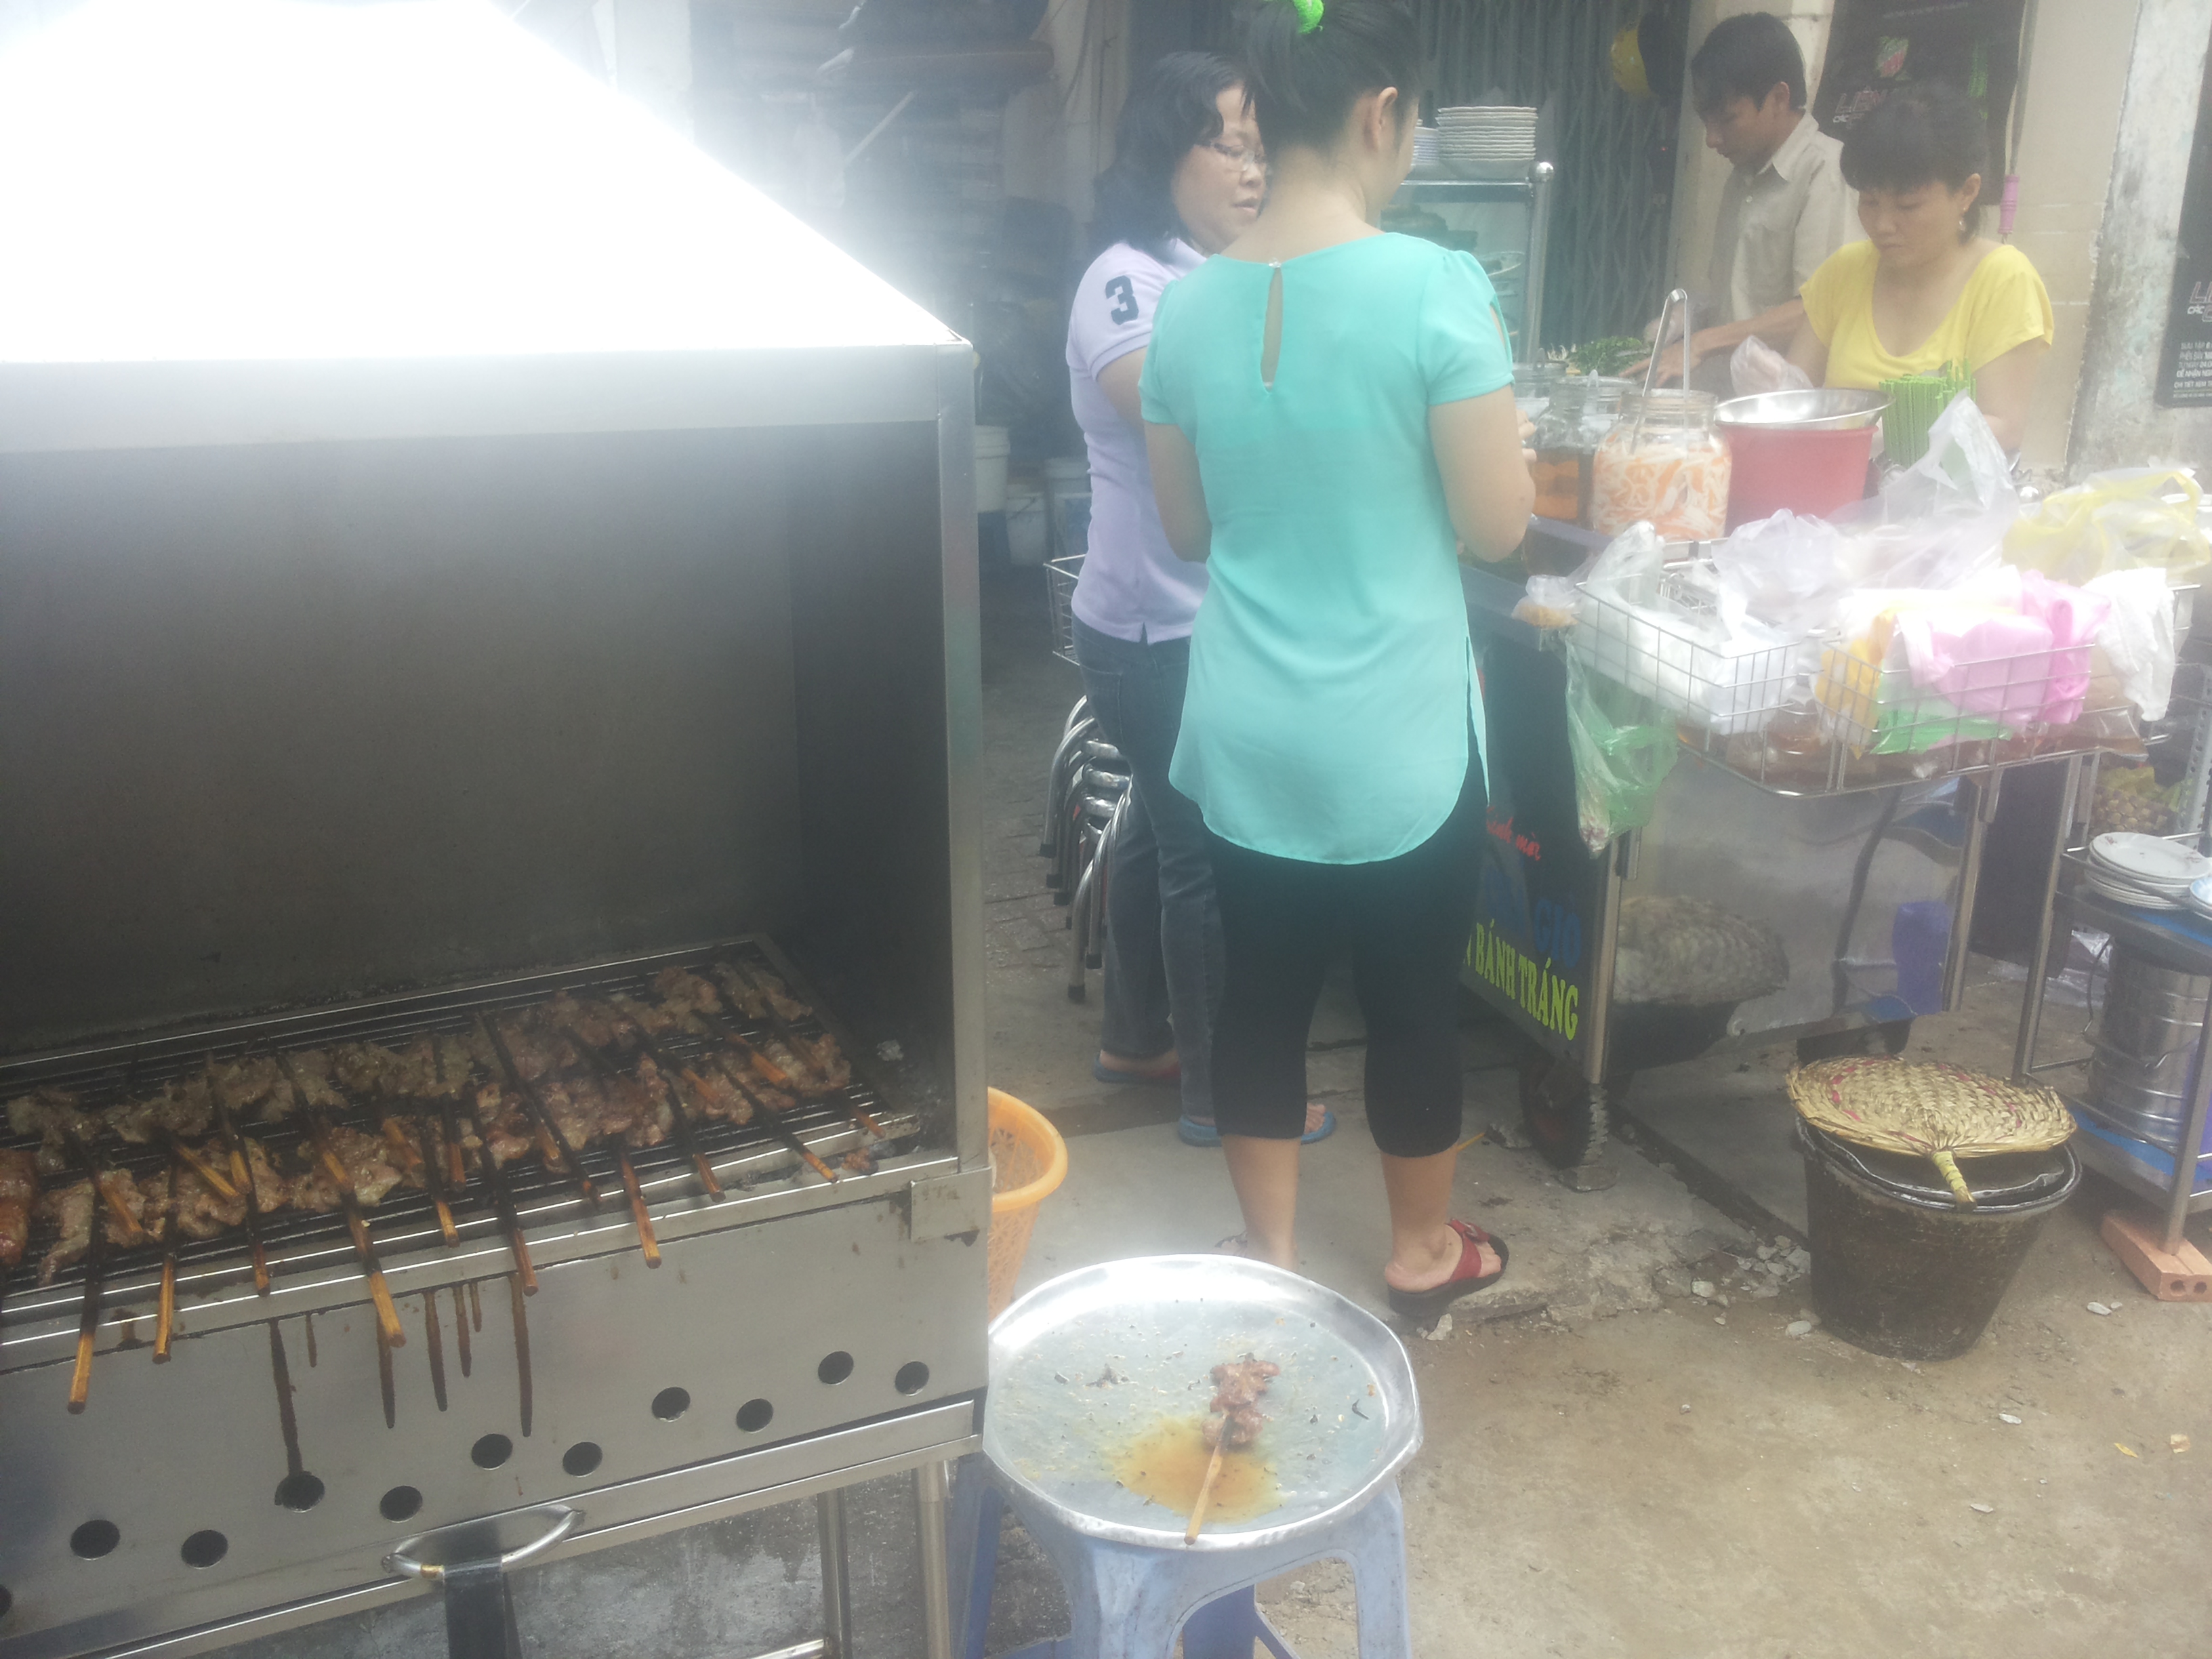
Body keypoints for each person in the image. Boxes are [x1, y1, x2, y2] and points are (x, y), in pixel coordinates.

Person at [1139, 0, 1532, 1317]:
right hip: (1398, 737)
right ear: (1381, 115)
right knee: (1412, 1001)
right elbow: (1498, 524)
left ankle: (1271, 1252)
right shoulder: (1434, 287)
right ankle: (1419, 1252)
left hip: (1248, 728)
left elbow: (1188, 531)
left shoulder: (1185, 308)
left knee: (1260, 997)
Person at [1066, 54, 1335, 1147]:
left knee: (1155, 830)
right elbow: (1168, 407)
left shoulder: (1209, 274)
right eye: (1230, 145)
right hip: (1152, 630)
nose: (1251, 170)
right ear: (1166, 151)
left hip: (1188, 622)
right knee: (1204, 858)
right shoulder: (1126, 278)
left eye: (1260, 151)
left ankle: (1137, 1038)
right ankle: (1225, 1096)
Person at [1788, 81, 2053, 453]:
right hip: (1839, 482)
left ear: (1966, 192)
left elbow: (2003, 426)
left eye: (1907, 206)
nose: (1883, 225)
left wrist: (1887, 436)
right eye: (1870, 202)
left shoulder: (2003, 279)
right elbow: (1796, 397)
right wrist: (1777, 385)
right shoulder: (1844, 272)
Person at [1641, 12, 1858, 388]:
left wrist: (1703, 342)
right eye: (1706, 122)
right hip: (1727, 393)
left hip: (1786, 404)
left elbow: (1820, 311)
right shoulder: (1742, 177)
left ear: (1779, 98)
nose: (1712, 139)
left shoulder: (1825, 172)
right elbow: (1744, 301)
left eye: (1727, 120)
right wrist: (1691, 316)